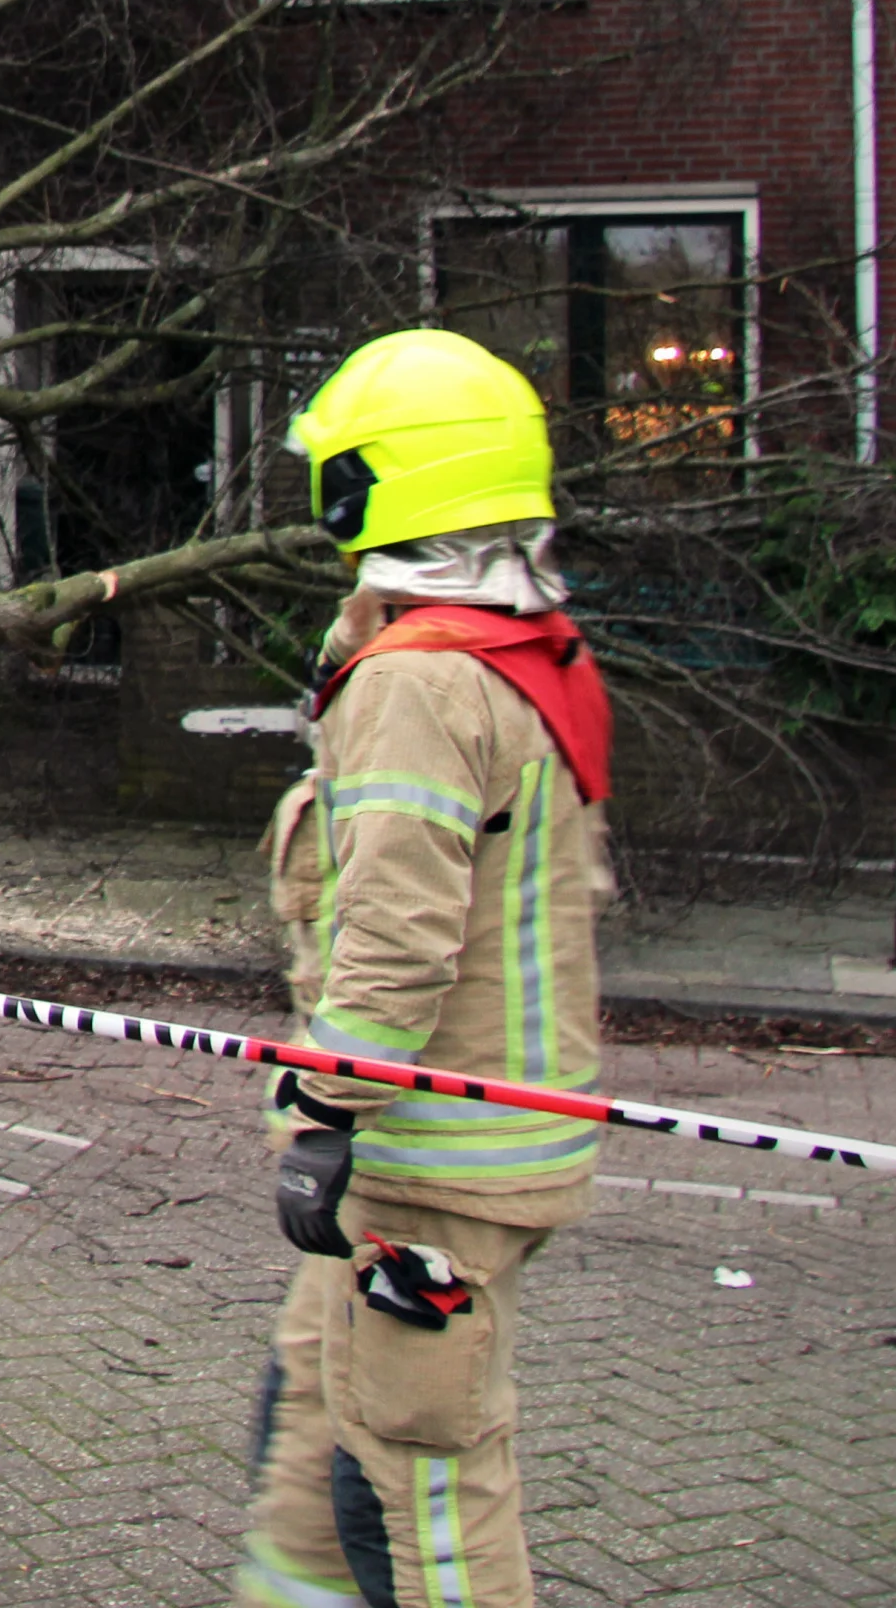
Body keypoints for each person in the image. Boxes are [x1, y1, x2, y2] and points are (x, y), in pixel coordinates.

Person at [231, 328, 612, 1608]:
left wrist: (324, 1110)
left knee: (423, 1473)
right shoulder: (525, 647)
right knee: (311, 1409)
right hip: (474, 1135)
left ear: (372, 488)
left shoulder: (424, 680)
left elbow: (397, 935)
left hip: (434, 1153)